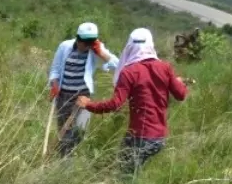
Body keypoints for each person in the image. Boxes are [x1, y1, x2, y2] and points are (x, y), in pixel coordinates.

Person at [78, 28, 189, 175]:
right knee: (130, 172)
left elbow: (114, 104)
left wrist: (88, 104)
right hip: (159, 137)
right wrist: (177, 82)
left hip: (140, 136)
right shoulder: (165, 68)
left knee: (125, 175)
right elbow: (181, 94)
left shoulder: (129, 72)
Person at [48, 22, 120, 156]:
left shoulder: (96, 50)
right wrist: (54, 83)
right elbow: (55, 70)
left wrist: (102, 53)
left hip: (83, 98)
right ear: (78, 39)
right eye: (84, 42)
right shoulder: (65, 46)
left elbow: (119, 66)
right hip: (64, 96)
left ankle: (69, 159)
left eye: (91, 42)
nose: (87, 46)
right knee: (64, 133)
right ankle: (63, 163)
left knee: (80, 132)